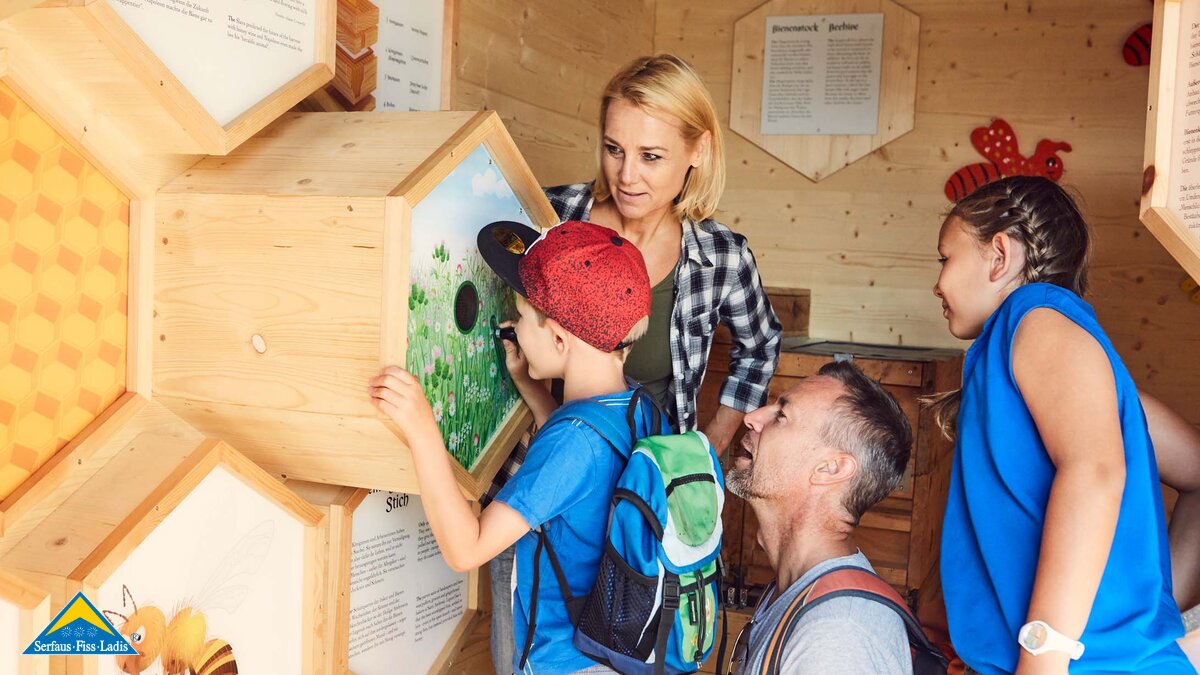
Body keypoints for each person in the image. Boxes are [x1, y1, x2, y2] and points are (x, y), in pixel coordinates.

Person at [485, 52, 782, 673]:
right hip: (547, 481)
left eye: (651, 156)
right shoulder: (550, 218)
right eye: (613, 149)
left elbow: (759, 346)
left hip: (646, 508)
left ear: (698, 150)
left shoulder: (723, 256)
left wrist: (708, 442)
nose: (626, 176)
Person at [369, 219, 660, 675]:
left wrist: (422, 429)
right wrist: (530, 384)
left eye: (522, 318)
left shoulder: (572, 443)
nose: (515, 328)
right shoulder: (637, 405)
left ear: (559, 339)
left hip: (566, 665)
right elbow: (579, 477)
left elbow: (466, 549)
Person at [929, 175, 1194, 674]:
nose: (937, 283)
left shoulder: (1036, 318)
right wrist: (1143, 619)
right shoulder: (1080, 371)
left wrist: (1044, 656)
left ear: (999, 255)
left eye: (945, 258)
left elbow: (1094, 471)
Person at [725, 360, 915, 674]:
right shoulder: (794, 592)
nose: (752, 418)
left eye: (782, 415)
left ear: (830, 468)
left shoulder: (837, 635)